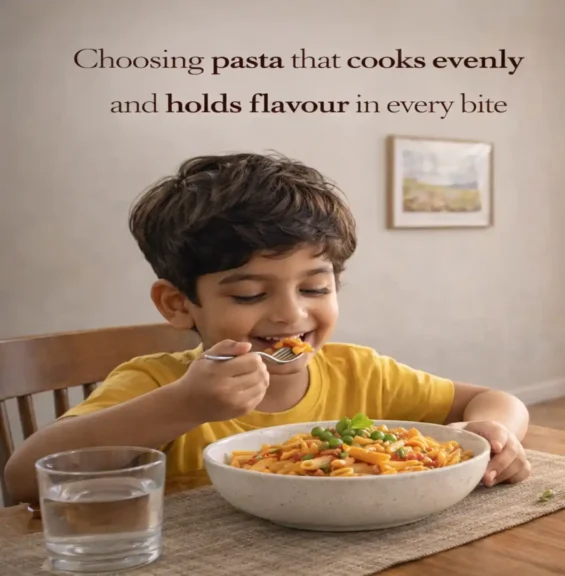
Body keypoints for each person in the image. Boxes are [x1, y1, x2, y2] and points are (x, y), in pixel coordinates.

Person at [3, 153, 531, 504]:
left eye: (315, 288)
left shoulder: (360, 373)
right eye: (250, 294)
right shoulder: (157, 384)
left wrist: (495, 432)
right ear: (178, 304)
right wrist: (185, 406)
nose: (289, 315)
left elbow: (492, 399)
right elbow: (25, 478)